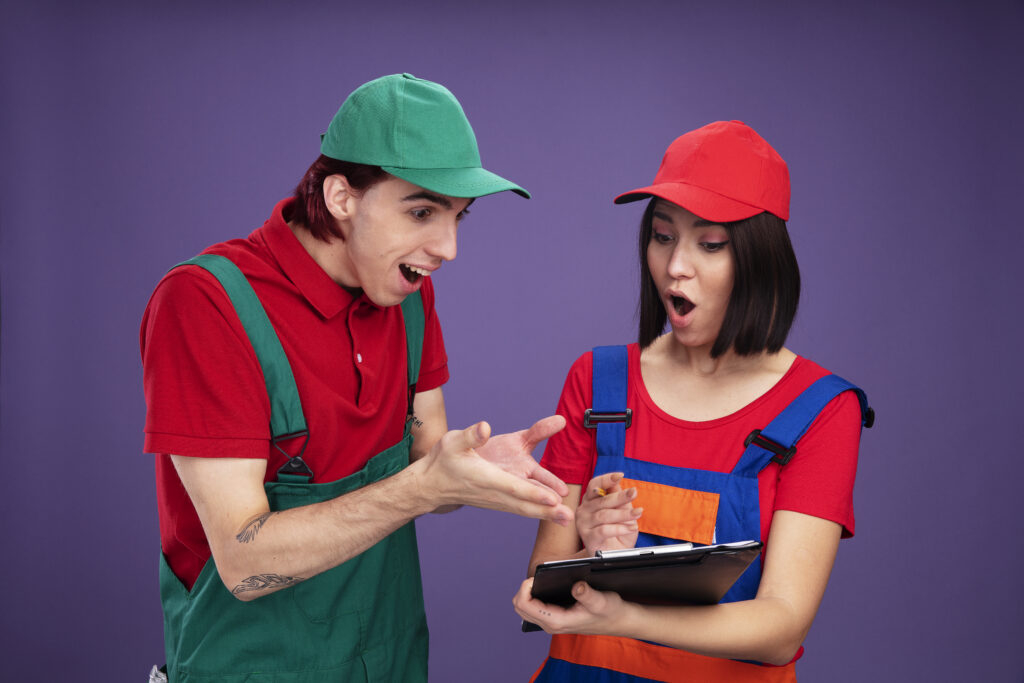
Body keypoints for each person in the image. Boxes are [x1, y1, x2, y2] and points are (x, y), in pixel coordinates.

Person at [140, 73, 574, 682]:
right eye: (421, 211)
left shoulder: (408, 296)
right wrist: (425, 487)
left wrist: (471, 472)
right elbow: (244, 563)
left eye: (458, 216)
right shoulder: (207, 304)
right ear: (342, 197)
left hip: (391, 663)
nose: (447, 247)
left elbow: (427, 456)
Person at [513, 120, 873, 682]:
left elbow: (782, 630)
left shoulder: (820, 410)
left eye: (710, 244)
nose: (676, 265)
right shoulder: (598, 382)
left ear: (760, 258)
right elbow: (540, 595)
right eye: (662, 236)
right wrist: (589, 559)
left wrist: (628, 614)